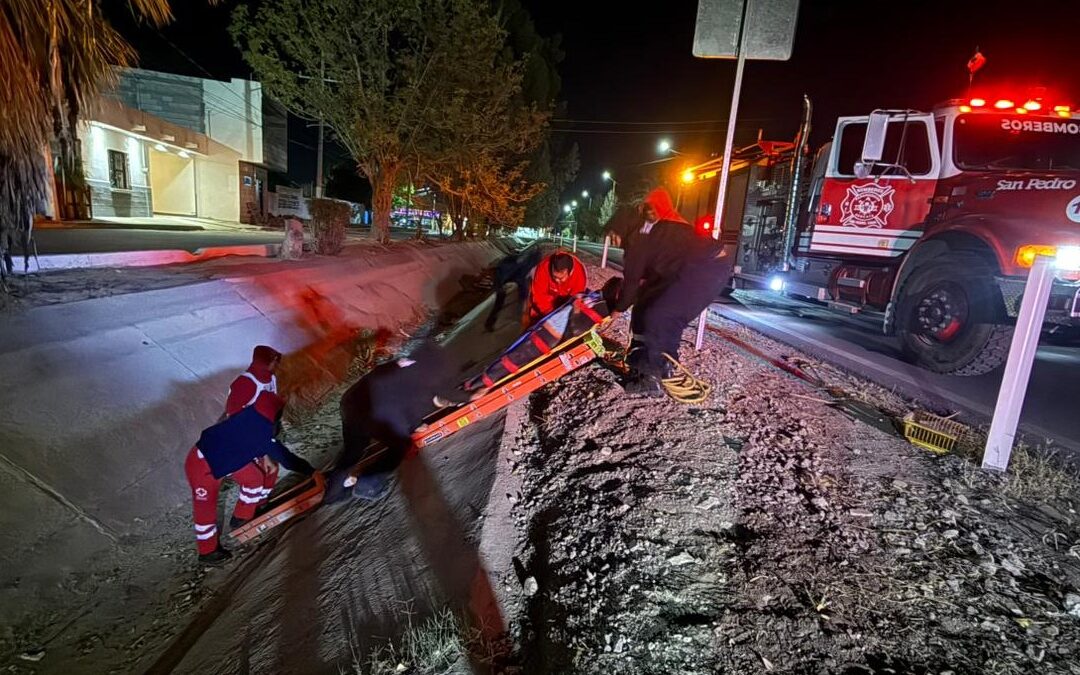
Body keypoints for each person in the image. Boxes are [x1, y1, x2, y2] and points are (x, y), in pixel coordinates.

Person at [607, 189, 731, 396]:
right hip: (693, 268)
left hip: (709, 267)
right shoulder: (648, 234)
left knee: (662, 315)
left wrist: (617, 311)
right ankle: (647, 363)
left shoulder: (640, 239)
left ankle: (654, 376)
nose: (611, 241)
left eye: (612, 235)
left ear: (622, 229)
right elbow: (646, 285)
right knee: (646, 307)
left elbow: (632, 283)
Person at [330, 339, 470, 503]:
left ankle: (332, 495)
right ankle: (367, 484)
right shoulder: (414, 375)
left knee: (351, 452)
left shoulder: (405, 365)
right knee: (400, 445)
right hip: (367, 409)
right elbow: (401, 401)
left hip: (351, 403)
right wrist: (416, 424)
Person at [184, 391, 315, 564]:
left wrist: (264, 455)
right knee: (205, 510)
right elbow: (287, 459)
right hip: (202, 465)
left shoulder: (250, 417)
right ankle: (207, 552)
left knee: (254, 478)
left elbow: (250, 441)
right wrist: (311, 471)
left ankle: (242, 517)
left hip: (226, 456)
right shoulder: (262, 431)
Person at [465, 279, 621, 395]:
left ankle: (474, 388)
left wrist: (576, 308)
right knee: (507, 356)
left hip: (547, 337)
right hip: (543, 331)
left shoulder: (602, 309)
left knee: (510, 361)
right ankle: (474, 383)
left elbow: (576, 330)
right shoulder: (596, 298)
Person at [484, 246, 542, 332]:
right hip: (504, 275)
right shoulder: (525, 264)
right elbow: (520, 276)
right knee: (500, 301)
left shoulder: (523, 262)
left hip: (505, 275)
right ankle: (490, 323)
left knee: (499, 302)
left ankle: (490, 323)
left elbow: (520, 277)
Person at [525, 252, 587, 326]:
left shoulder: (579, 272)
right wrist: (551, 316)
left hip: (565, 302)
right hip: (546, 304)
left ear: (569, 272)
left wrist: (572, 317)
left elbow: (577, 298)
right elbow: (539, 296)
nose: (557, 280)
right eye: (554, 277)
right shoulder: (543, 268)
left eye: (561, 278)